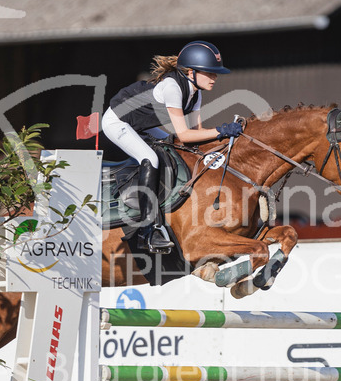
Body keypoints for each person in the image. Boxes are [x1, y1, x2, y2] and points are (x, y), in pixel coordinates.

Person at [101, 41, 243, 253]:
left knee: (174, 148)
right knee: (151, 158)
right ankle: (147, 230)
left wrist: (222, 140)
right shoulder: (172, 88)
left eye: (215, 74)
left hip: (138, 125)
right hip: (117, 121)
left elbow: (195, 137)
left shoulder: (196, 92)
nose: (215, 78)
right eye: (210, 73)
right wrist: (221, 131)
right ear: (191, 72)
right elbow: (185, 135)